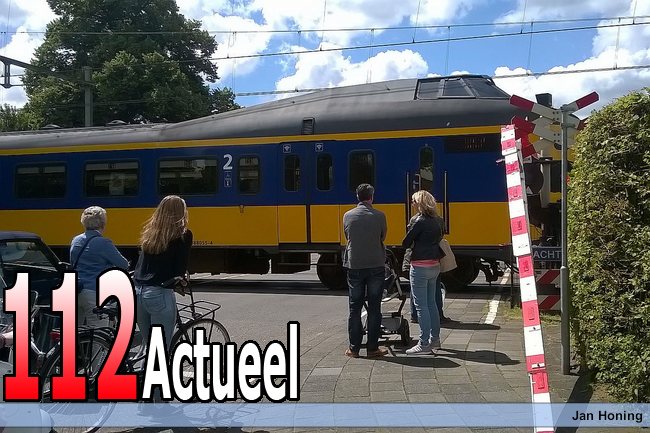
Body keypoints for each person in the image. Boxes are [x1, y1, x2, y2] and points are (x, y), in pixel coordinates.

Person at [134, 195, 193, 352]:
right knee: (159, 350)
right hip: (159, 293)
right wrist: (181, 281)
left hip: (138, 292)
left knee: (149, 347)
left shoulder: (149, 234)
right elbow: (179, 269)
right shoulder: (183, 234)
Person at [343, 184, 388, 358]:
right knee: (375, 307)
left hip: (355, 264)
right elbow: (382, 236)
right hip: (376, 264)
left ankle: (353, 349)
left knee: (355, 307)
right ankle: (372, 348)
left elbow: (348, 236)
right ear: (371, 196)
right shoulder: (380, 216)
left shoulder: (347, 215)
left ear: (357, 196)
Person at [70, 206, 129, 327]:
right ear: (103, 223)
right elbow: (123, 264)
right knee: (98, 331)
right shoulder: (103, 242)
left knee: (75, 331)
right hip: (94, 292)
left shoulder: (76, 240)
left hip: (75, 290)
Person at [402, 190, 444, 355]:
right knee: (432, 303)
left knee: (421, 306)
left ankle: (424, 343)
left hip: (419, 266)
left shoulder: (418, 221)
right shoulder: (439, 220)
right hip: (434, 265)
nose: (412, 204)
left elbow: (406, 242)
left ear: (419, 203)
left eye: (413, 201)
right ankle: (435, 339)